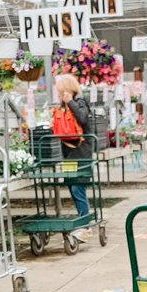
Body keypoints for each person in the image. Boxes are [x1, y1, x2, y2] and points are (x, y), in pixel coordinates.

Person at [53, 73, 93, 237]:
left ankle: (85, 224)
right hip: (69, 153)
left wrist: (70, 102)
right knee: (72, 185)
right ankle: (83, 219)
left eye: (60, 91)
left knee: (78, 187)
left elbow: (83, 118)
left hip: (81, 153)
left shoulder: (79, 102)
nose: (59, 94)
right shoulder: (64, 106)